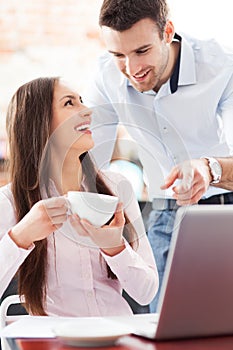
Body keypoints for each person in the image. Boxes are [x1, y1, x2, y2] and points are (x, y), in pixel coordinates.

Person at [83, 0, 233, 312]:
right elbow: (88, 161)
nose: (132, 69)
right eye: (118, 55)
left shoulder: (222, 66)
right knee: (164, 325)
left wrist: (209, 168)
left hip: (225, 210)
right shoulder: (106, 76)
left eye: (141, 51)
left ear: (167, 32)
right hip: (165, 216)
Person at [0, 77, 158, 316]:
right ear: (39, 122)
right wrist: (21, 236)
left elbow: (146, 292)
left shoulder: (118, 187)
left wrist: (114, 247)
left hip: (116, 334)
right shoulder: (11, 201)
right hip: (53, 337)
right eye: (69, 103)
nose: (87, 110)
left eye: (81, 100)